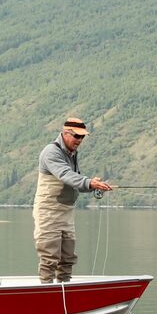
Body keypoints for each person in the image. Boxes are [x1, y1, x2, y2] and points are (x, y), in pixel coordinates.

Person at [32, 117, 112, 283]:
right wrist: (89, 182)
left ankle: (64, 292)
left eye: (82, 137)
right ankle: (46, 294)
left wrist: (92, 185)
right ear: (65, 133)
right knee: (49, 259)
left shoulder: (72, 154)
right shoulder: (51, 152)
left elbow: (74, 181)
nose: (80, 140)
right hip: (48, 212)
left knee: (68, 258)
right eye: (77, 136)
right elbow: (65, 175)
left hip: (66, 213)